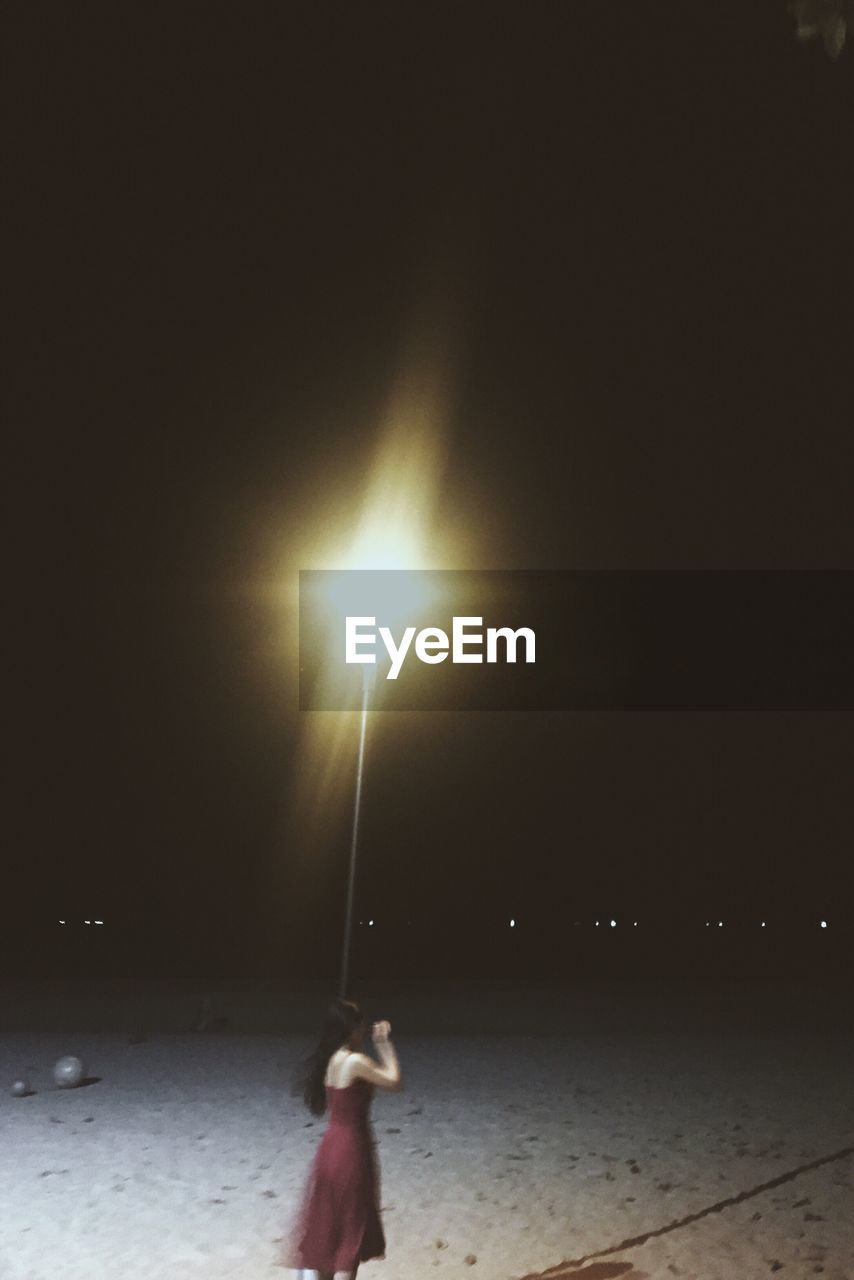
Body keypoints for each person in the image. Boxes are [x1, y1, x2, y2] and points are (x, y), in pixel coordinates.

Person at [282, 997, 403, 1280]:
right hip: (352, 1150)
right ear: (352, 1027)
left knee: (326, 1230)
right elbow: (395, 1081)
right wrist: (384, 1044)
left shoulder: (330, 1060)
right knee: (349, 1234)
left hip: (330, 1148)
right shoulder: (355, 1061)